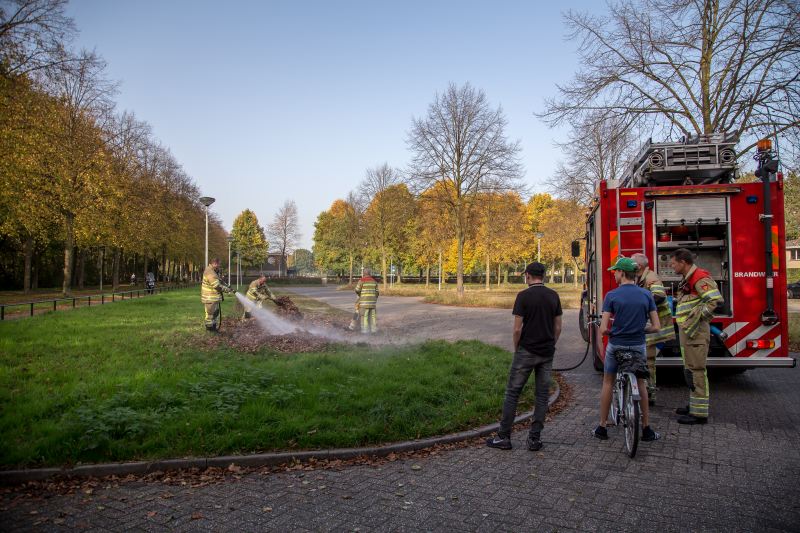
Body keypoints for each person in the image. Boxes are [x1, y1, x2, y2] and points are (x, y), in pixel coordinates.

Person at [486, 262, 562, 452]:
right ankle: (534, 439)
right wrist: (551, 344)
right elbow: (558, 327)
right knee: (542, 395)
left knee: (513, 393)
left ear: (527, 276)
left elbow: (517, 328)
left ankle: (503, 437)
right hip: (546, 352)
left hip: (526, 351)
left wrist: (515, 348)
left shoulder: (523, 296)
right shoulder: (554, 295)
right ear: (543, 276)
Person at [592, 257, 661, 442]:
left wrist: (614, 331)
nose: (614, 274)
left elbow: (604, 328)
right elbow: (656, 327)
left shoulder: (612, 296)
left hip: (617, 345)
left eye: (615, 271)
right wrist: (639, 330)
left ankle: (602, 427)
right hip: (638, 345)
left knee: (608, 382)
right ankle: (646, 429)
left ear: (622, 273)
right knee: (641, 384)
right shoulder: (646, 295)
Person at [670, 248, 722, 425]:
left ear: (682, 263)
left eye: (674, 263)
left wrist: (699, 318)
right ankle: (694, 405)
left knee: (696, 371)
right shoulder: (689, 278)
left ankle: (699, 414)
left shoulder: (699, 278)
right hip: (689, 332)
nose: (672, 266)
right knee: (690, 370)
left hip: (696, 333)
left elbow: (714, 302)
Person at [632, 253, 675, 404]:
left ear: (639, 266)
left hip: (653, 326)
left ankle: (649, 395)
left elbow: (659, 295)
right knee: (644, 360)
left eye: (632, 263)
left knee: (648, 360)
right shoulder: (639, 277)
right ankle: (646, 392)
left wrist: (640, 306)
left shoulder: (650, 277)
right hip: (647, 325)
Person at [201, 258, 234, 334]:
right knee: (210, 315)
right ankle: (210, 330)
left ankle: (214, 329)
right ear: (215, 263)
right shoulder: (210, 272)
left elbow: (214, 280)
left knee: (215, 314)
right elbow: (216, 286)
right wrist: (226, 289)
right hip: (210, 298)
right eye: (219, 264)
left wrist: (218, 279)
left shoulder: (212, 271)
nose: (219, 265)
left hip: (213, 298)